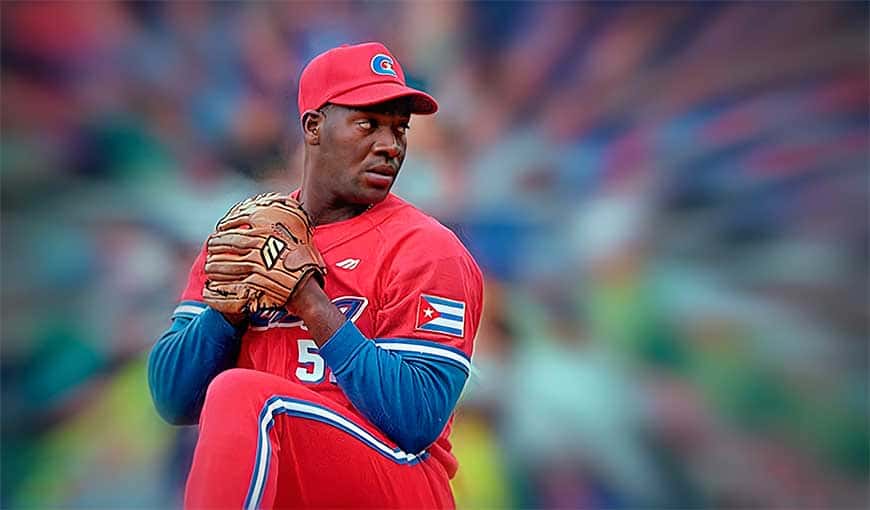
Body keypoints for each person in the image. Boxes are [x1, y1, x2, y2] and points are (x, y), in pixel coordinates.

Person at [147, 42, 484, 509]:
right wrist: (224, 315)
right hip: (281, 485)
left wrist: (310, 303)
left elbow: (417, 419)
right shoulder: (243, 239)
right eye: (368, 124)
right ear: (314, 127)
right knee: (239, 399)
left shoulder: (428, 250)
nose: (389, 146)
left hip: (394, 485)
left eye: (399, 130)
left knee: (245, 396)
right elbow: (172, 397)